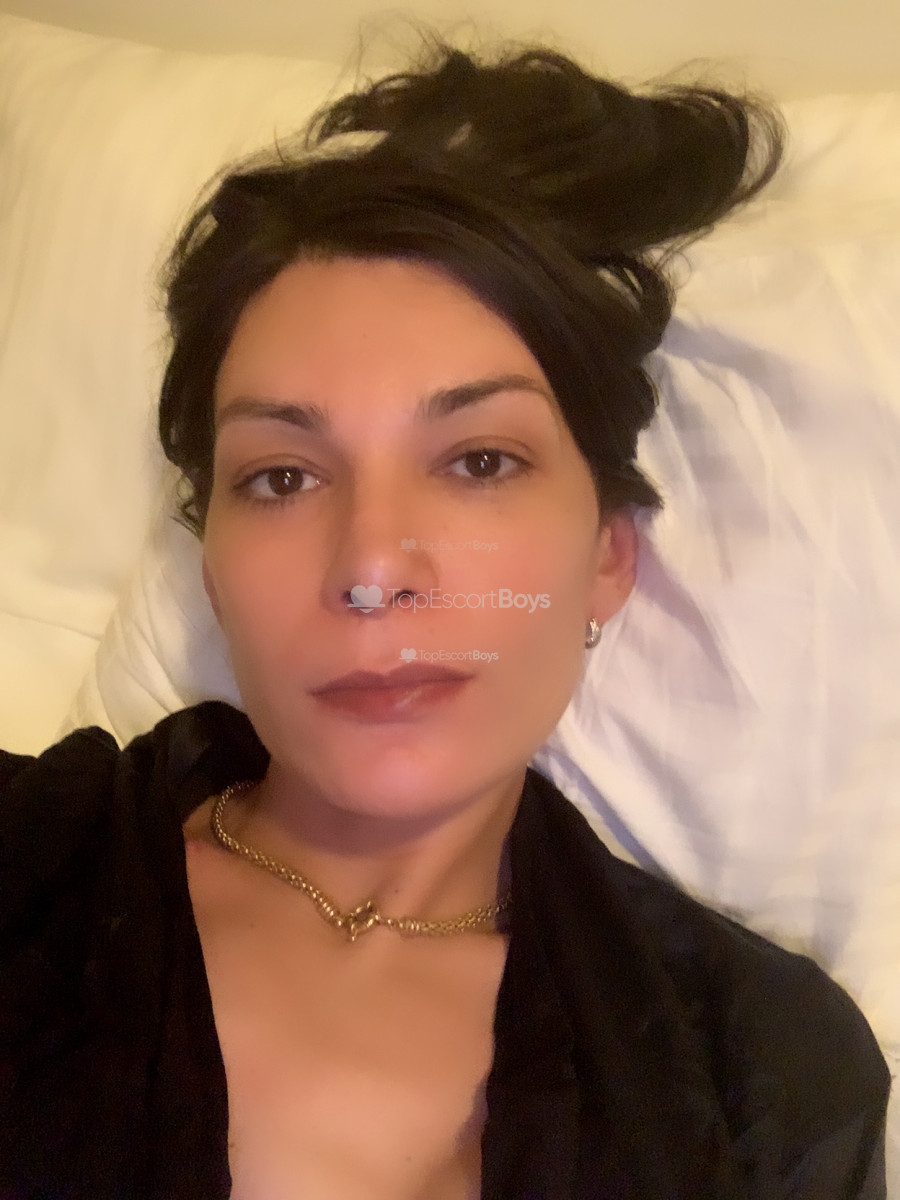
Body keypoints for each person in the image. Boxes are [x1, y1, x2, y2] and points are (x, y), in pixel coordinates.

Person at [0, 33, 890, 1200]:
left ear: (607, 559)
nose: (373, 567)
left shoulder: (761, 1077)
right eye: (281, 477)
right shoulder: (27, 858)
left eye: (479, 460)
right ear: (211, 568)